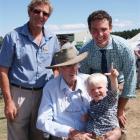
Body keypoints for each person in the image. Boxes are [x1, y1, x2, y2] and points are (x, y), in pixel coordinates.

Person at [0, 0, 60, 140]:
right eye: (36, 11)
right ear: (29, 12)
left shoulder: (52, 38)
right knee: (17, 135)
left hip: (44, 94)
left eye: (45, 13)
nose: (40, 15)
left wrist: (53, 89)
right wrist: (9, 101)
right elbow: (3, 70)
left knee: (41, 134)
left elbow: (56, 67)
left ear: (48, 17)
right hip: (19, 95)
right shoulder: (13, 37)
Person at [36, 47, 121, 140]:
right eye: (68, 66)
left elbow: (109, 105)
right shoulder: (51, 87)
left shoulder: (90, 81)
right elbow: (42, 121)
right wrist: (70, 132)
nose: (73, 69)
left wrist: (116, 129)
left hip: (94, 135)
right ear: (60, 68)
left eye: (75, 64)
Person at [79, 10, 136, 133]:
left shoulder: (124, 48)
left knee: (117, 128)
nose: (99, 34)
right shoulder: (85, 51)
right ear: (89, 31)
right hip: (95, 91)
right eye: (94, 30)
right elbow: (83, 81)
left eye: (104, 29)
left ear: (110, 28)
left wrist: (120, 110)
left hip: (118, 88)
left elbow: (130, 79)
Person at [85, 66, 121, 140]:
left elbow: (114, 91)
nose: (96, 91)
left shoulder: (109, 99)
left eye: (99, 88)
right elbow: (93, 115)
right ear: (89, 93)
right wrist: (87, 116)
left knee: (115, 135)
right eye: (92, 89)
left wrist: (113, 79)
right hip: (94, 134)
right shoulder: (91, 103)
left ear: (106, 88)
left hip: (109, 131)